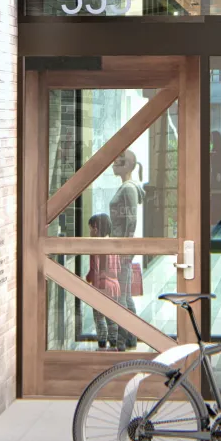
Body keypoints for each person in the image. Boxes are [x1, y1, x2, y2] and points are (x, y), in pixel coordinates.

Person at [110, 149, 144, 350]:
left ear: (126, 165)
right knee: (126, 294)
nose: (113, 165)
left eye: (117, 162)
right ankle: (132, 338)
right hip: (120, 247)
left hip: (123, 249)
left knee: (121, 296)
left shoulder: (129, 189)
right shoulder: (126, 187)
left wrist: (126, 248)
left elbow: (132, 221)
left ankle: (122, 342)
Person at [85, 214, 120, 351]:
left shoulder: (96, 247)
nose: (89, 233)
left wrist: (86, 279)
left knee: (100, 318)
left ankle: (101, 346)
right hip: (114, 286)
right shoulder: (114, 244)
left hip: (101, 286)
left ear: (95, 228)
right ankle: (113, 346)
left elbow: (94, 271)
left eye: (90, 229)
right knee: (112, 318)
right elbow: (118, 268)